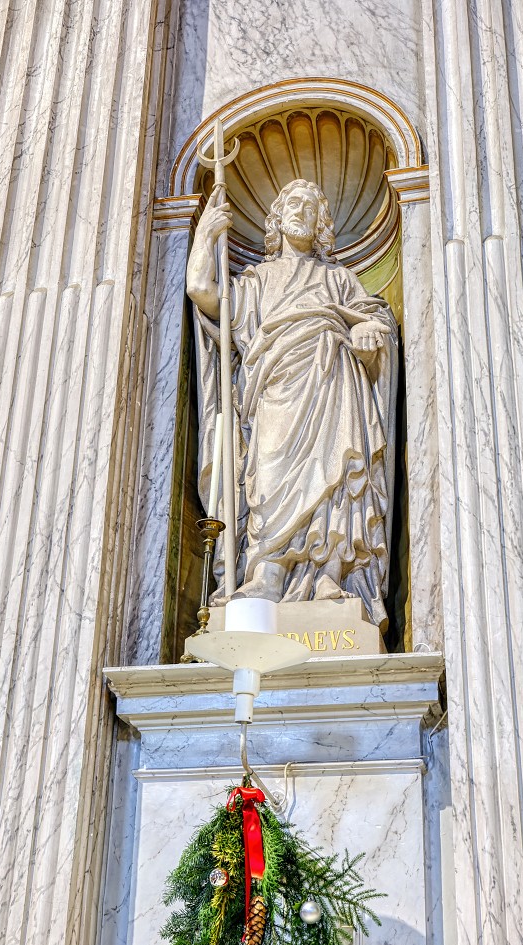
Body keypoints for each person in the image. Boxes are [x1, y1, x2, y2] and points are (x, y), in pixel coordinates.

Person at [187, 178, 397, 631]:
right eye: (292, 204)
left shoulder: (339, 280)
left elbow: (377, 323)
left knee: (337, 474)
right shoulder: (255, 281)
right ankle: (268, 571)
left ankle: (330, 574)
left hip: (333, 385)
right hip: (274, 393)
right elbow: (202, 292)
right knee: (268, 476)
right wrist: (206, 233)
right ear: (276, 219)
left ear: (323, 224)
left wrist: (366, 335)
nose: (300, 211)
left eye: (310, 206)